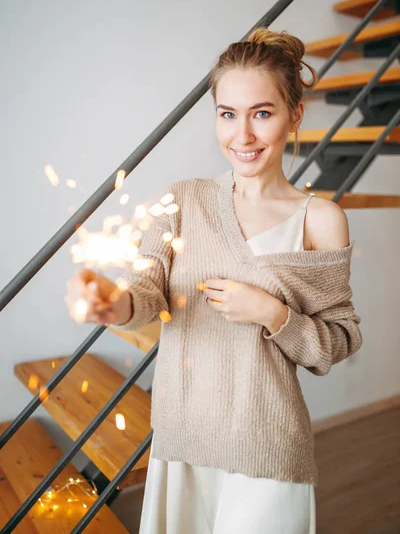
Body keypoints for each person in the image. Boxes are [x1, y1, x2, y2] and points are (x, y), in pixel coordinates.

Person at [66, 27, 362, 534]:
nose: (242, 136)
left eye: (262, 113)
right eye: (228, 114)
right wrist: (111, 304)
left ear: (295, 114)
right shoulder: (184, 200)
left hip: (267, 445)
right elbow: (146, 292)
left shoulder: (321, 219)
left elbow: (338, 341)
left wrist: (273, 314)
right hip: (184, 441)